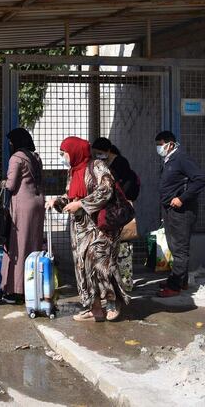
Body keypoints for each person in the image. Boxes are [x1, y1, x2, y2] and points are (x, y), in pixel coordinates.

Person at [46, 137, 129, 322]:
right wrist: (57, 201)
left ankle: (113, 304)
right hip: (81, 229)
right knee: (84, 267)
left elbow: (106, 190)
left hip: (102, 226)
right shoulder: (73, 172)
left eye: (64, 153)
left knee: (102, 265)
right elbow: (71, 196)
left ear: (75, 151)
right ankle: (94, 308)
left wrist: (81, 204)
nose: (63, 157)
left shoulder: (97, 166)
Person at [155, 131, 205, 297]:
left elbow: (200, 179)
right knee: (173, 245)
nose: (158, 148)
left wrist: (182, 198)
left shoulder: (182, 158)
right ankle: (180, 280)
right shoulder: (169, 160)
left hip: (182, 211)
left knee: (180, 249)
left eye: (160, 144)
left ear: (170, 144)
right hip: (170, 211)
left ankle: (175, 286)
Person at [0, 129, 45, 304]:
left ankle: (15, 290)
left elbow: (11, 185)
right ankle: (33, 287)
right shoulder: (35, 156)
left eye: (11, 142)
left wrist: (1, 183)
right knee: (33, 245)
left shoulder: (16, 157)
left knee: (17, 246)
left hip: (22, 205)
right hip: (37, 203)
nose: (9, 145)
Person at [91, 137, 139, 293]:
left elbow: (124, 186)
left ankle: (125, 283)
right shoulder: (106, 163)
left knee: (123, 247)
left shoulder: (120, 163)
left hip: (119, 210)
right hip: (112, 210)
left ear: (108, 151)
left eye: (99, 152)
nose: (97, 155)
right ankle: (115, 282)